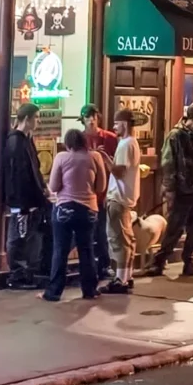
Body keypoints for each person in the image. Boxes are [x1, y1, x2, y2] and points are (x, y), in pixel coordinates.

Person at [145, 102, 193, 278]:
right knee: (174, 229)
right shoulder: (175, 136)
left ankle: (189, 261)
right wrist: (170, 189)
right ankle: (159, 262)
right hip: (181, 191)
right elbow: (168, 164)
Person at [43, 128, 108, 302]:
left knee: (60, 250)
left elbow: (54, 186)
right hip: (88, 209)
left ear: (68, 143)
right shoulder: (95, 157)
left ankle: (54, 292)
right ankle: (89, 290)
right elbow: (101, 187)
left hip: (64, 209)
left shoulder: (61, 157)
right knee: (86, 249)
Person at [4, 103, 48, 290]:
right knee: (19, 237)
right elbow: (17, 174)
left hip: (30, 200)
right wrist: (22, 202)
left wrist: (42, 188)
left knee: (28, 237)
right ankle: (17, 275)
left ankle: (27, 273)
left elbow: (34, 169)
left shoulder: (26, 140)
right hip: (22, 201)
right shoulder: (16, 141)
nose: (38, 121)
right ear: (27, 119)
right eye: (36, 117)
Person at [104, 109, 141, 294]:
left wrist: (105, 159)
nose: (114, 127)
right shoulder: (132, 143)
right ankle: (128, 276)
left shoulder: (126, 144)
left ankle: (120, 280)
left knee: (119, 240)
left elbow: (119, 171)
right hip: (125, 198)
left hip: (119, 198)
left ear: (124, 124)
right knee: (127, 239)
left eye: (117, 123)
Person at [81, 105, 118, 282]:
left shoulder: (110, 138)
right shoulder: (79, 138)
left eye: (94, 117)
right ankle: (89, 266)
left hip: (105, 190)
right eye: (87, 117)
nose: (91, 120)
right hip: (85, 192)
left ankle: (104, 265)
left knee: (102, 231)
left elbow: (118, 165)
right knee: (87, 232)